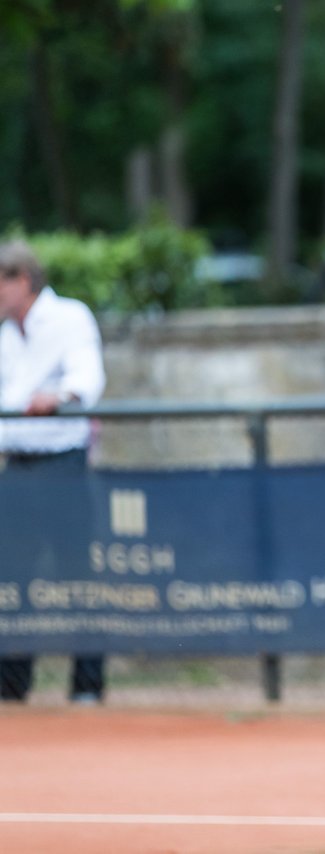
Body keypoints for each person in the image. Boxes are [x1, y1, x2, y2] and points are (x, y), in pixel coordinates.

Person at [0, 239, 108, 704]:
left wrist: (59, 395)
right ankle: (12, 686)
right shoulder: (5, 335)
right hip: (17, 466)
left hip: (63, 463)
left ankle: (86, 688)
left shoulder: (70, 317)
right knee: (12, 579)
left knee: (77, 575)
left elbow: (89, 379)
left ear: (21, 280)